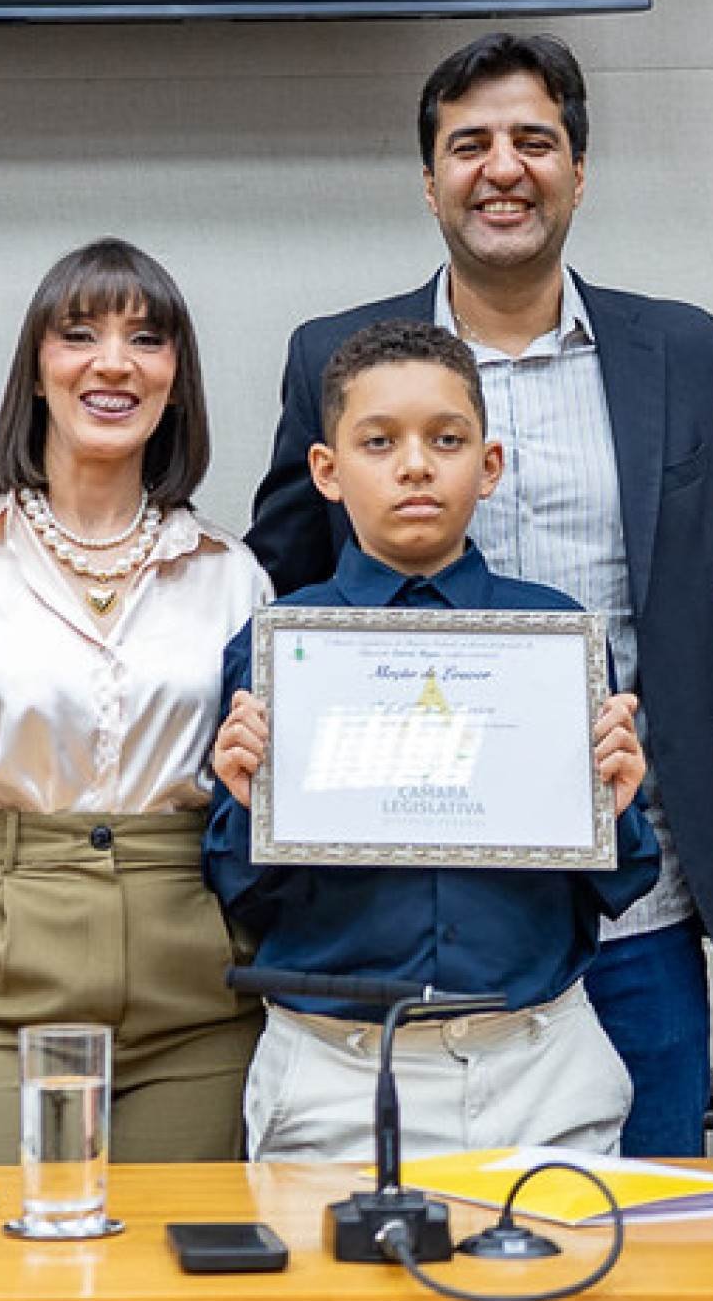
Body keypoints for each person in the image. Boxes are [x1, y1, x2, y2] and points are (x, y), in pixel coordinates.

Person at [246, 33, 713, 1153]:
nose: (502, 167)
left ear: (578, 171)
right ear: (429, 181)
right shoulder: (341, 359)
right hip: (410, 904)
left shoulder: (678, 350)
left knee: (638, 1248)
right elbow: (273, 587)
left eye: (534, 141)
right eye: (469, 144)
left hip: (633, 898)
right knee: (405, 1266)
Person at [0, 240, 269, 1166]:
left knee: (184, 1281)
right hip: (0, 977)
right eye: (79, 334)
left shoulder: (232, 573)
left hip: (194, 987)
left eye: (147, 340)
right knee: (6, 1266)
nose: (113, 362)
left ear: (176, 381)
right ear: (37, 372)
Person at [209, 320, 657, 1160]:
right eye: (379, 442)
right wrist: (246, 803)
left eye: (445, 440)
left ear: (488, 467)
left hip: (539, 1060)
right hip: (335, 1071)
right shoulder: (279, 645)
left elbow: (621, 880)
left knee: (560, 1286)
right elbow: (237, 888)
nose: (415, 464)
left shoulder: (553, 637)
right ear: (327, 473)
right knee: (335, 1292)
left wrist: (616, 806)